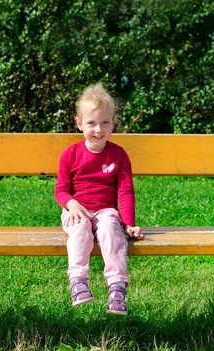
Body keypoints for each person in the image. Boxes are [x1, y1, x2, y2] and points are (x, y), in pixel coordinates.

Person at [54, 83, 144, 316]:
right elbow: (61, 190)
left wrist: (129, 224)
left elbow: (125, 191)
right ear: (79, 123)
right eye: (91, 123)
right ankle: (78, 281)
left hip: (105, 210)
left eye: (105, 122)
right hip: (78, 209)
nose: (98, 129)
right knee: (80, 227)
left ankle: (117, 287)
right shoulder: (70, 155)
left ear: (113, 122)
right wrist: (71, 203)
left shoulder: (119, 154)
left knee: (111, 228)